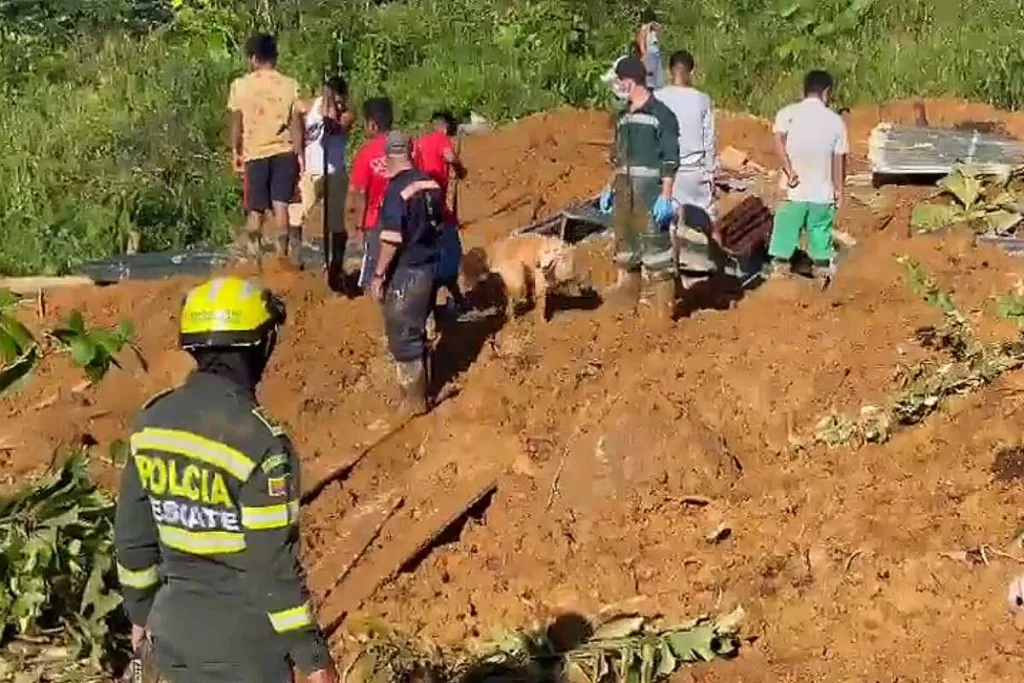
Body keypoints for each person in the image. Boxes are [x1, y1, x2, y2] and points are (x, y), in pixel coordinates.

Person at [114, 276, 337, 683]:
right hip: (245, 651)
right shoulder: (261, 442)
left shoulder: (152, 423)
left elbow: (132, 538)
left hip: (171, 634)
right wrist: (312, 655)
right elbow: (273, 568)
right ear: (260, 346)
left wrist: (141, 614)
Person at [370, 132, 445, 415]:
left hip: (408, 270)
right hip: (431, 264)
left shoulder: (396, 191)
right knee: (420, 327)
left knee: (404, 336)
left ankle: (413, 404)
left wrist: (378, 275)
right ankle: (424, 391)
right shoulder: (431, 183)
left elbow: (391, 239)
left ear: (387, 158)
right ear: (410, 152)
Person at [598, 56, 680, 318]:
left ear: (630, 82)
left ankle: (663, 318)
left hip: (650, 194)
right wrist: (609, 187)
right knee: (626, 253)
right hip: (624, 193)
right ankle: (626, 313)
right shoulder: (623, 118)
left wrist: (666, 196)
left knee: (658, 257)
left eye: (619, 82)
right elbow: (618, 158)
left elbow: (670, 158)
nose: (617, 87)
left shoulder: (662, 115)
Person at [769, 69, 849, 287]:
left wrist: (788, 169)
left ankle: (780, 272)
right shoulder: (835, 122)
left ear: (803, 90)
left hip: (792, 190)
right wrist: (839, 189)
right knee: (820, 234)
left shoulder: (787, 113)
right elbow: (839, 159)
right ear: (826, 92)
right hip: (822, 194)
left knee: (785, 232)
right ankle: (822, 272)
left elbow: (778, 141)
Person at [228, 34, 303, 259]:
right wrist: (299, 153)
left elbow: (236, 122)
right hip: (284, 152)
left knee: (255, 207)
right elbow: (296, 123)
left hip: (255, 153)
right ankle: (282, 255)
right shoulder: (289, 85)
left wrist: (235, 150)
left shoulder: (240, 86)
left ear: (252, 58)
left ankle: (255, 255)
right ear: (275, 56)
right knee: (281, 204)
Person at [655, 49, 719, 288]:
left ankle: (672, 273)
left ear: (669, 71)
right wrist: (710, 175)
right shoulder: (702, 99)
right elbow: (709, 142)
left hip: (667, 173)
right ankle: (718, 270)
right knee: (709, 221)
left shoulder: (658, 98)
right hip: (695, 171)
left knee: (669, 223)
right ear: (692, 71)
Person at [288, 76, 355, 291]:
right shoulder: (310, 108)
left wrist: (332, 112)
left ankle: (335, 266)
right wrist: (298, 153)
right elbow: (296, 120)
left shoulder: (346, 114)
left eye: (339, 99)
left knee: (336, 222)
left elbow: (336, 127)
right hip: (311, 170)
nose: (336, 102)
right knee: (299, 213)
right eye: (331, 98)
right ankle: (294, 255)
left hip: (335, 172)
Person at [413, 109, 468, 313]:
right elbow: (450, 156)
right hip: (437, 205)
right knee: (450, 250)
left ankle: (456, 299)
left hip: (421, 204)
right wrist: (460, 169)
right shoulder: (440, 139)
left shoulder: (420, 143)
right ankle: (446, 301)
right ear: (444, 126)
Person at [349, 97, 395, 293]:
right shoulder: (407, 146)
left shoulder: (366, 153)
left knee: (372, 273)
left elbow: (359, 192)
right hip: (405, 216)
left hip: (376, 220)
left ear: (372, 125)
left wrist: (358, 226)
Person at [636, 9, 664, 90]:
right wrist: (644, 54)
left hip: (656, 51)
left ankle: (658, 89)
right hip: (649, 51)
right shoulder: (644, 28)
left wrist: (653, 25)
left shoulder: (654, 28)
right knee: (650, 75)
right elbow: (641, 42)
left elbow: (659, 29)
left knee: (658, 74)